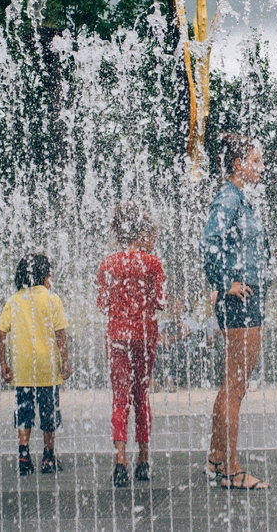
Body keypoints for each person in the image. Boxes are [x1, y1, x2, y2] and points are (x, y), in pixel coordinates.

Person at [200, 134, 272, 490]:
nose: (262, 167)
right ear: (238, 164)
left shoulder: (238, 199)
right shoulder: (228, 198)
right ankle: (230, 469)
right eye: (256, 161)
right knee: (236, 387)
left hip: (245, 299)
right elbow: (208, 241)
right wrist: (225, 282)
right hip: (241, 300)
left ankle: (216, 459)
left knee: (232, 384)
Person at [96, 203, 167, 487]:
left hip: (116, 335)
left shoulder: (107, 265)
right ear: (141, 231)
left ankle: (120, 460)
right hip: (145, 335)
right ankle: (144, 459)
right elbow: (160, 303)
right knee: (141, 395)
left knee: (120, 397)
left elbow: (102, 305)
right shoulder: (153, 264)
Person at [0, 254, 71, 476]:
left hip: (23, 367)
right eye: (50, 273)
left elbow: (1, 332)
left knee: (24, 410)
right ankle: (48, 457)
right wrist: (66, 360)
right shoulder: (51, 299)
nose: (52, 278)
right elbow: (60, 334)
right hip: (47, 366)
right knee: (49, 411)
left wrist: (4, 362)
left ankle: (23, 454)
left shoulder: (14, 300)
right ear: (43, 275)